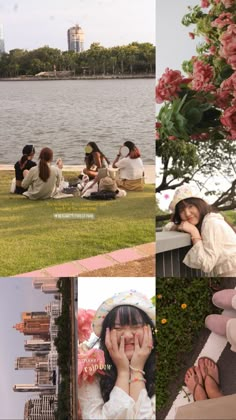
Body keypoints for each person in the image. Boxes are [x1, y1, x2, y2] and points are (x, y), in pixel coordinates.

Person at [78, 290, 156, 419]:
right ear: (105, 334)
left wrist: (136, 369)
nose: (127, 335)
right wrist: (123, 372)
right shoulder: (91, 371)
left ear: (148, 330)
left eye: (135, 326)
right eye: (118, 328)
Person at [164, 184, 236, 277]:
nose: (187, 213)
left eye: (190, 206)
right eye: (182, 210)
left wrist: (194, 232)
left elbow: (207, 264)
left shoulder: (211, 222)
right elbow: (169, 227)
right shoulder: (209, 220)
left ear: (200, 205)